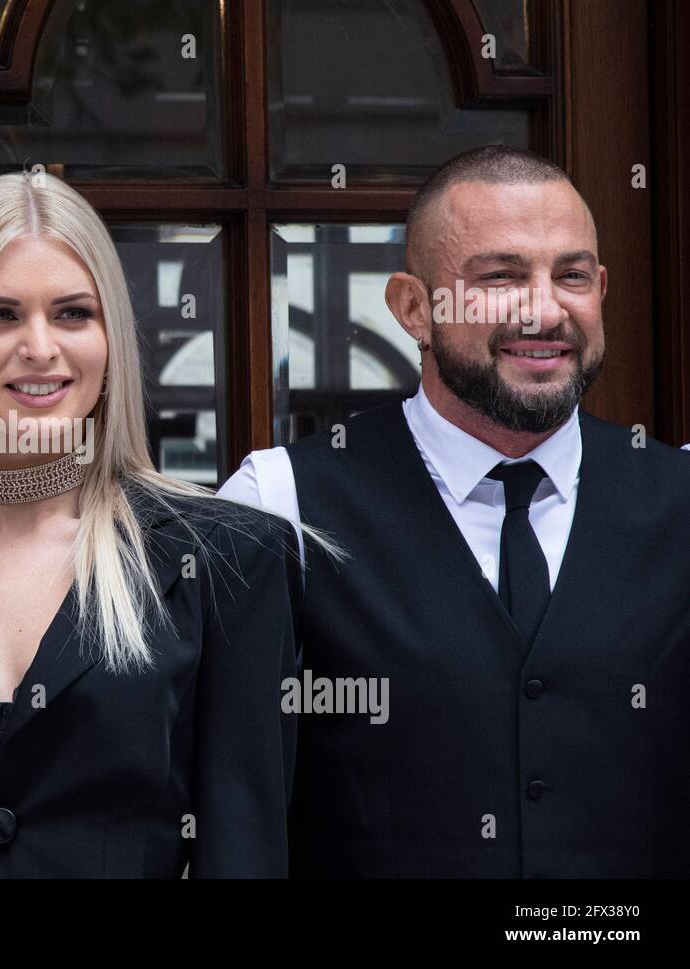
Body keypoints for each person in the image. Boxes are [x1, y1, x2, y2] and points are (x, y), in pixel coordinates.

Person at [220, 144, 690, 877]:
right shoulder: (280, 507)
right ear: (414, 307)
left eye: (571, 276)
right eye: (500, 277)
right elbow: (234, 820)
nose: (544, 310)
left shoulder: (680, 499)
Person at [0, 170, 303, 877]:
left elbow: (245, 850)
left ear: (111, 343)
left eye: (73, 313)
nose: (40, 347)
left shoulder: (228, 560)